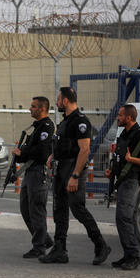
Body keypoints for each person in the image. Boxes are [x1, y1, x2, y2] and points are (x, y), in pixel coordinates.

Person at [41, 86, 110, 265]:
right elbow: (63, 144)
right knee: (60, 210)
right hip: (61, 168)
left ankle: (101, 245)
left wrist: (75, 175)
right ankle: (59, 249)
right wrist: (52, 156)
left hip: (73, 169)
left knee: (77, 208)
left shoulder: (80, 121)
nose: (56, 103)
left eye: (58, 99)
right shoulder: (65, 122)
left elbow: (84, 150)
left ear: (65, 100)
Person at [105, 104, 140, 270]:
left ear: (129, 117)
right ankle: (127, 255)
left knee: (124, 217)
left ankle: (133, 255)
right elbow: (120, 158)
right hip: (123, 180)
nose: (117, 118)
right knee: (122, 217)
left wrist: (132, 160)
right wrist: (111, 171)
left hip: (133, 180)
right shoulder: (123, 133)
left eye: (120, 115)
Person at [12, 96, 56, 259]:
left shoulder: (46, 127)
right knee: (25, 208)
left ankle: (39, 247)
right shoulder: (37, 127)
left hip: (39, 172)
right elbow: (31, 149)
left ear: (42, 109)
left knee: (36, 209)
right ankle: (44, 239)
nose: (30, 109)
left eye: (33, 106)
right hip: (31, 171)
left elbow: (42, 152)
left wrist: (22, 153)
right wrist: (20, 154)